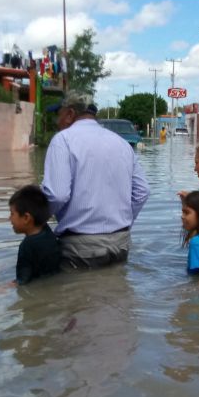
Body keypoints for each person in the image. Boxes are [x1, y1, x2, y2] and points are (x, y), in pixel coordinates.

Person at [42, 90, 150, 269]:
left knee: (74, 287)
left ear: (70, 114)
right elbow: (142, 192)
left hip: (79, 247)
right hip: (120, 242)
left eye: (58, 114)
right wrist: (122, 223)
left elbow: (57, 195)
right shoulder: (122, 143)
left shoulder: (62, 140)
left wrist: (38, 221)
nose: (57, 121)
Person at [9, 185, 62, 285]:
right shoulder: (48, 233)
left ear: (26, 218)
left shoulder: (26, 246)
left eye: (12, 214)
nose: (9, 218)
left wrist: (2, 288)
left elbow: (22, 281)